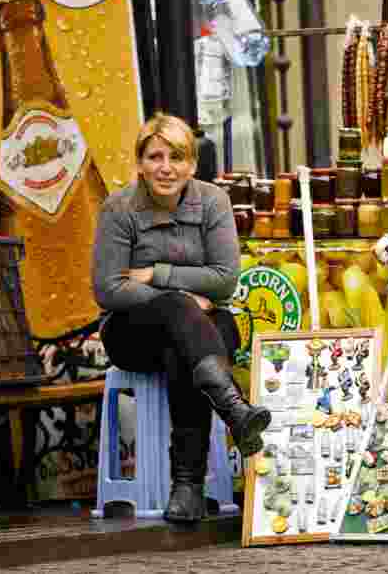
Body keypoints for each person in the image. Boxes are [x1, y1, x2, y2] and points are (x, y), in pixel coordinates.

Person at [91, 112, 270, 523]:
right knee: (180, 312)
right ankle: (232, 412)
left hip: (201, 330)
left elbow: (224, 281)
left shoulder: (213, 201)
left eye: (177, 157)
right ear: (140, 163)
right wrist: (181, 296)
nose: (166, 168)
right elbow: (109, 289)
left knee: (185, 350)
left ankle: (187, 489)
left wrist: (156, 273)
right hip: (130, 332)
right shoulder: (119, 208)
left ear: (192, 164)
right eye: (155, 157)